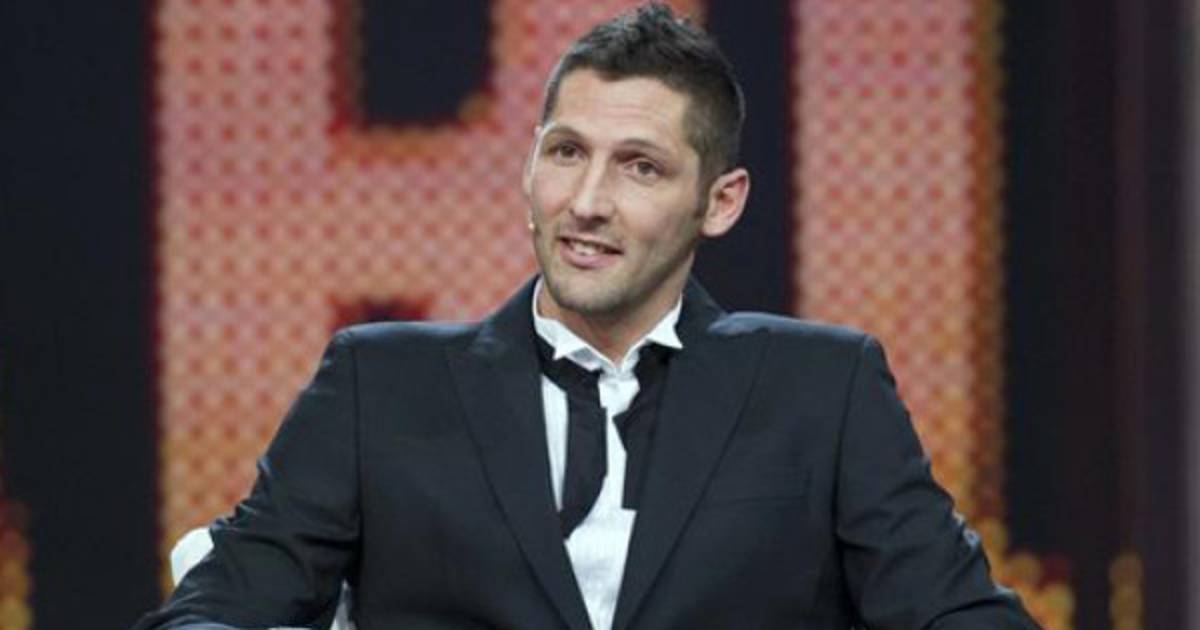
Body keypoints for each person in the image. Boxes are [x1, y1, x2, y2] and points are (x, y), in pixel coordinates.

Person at [136, 4, 1040, 629]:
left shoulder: (822, 391)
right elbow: (215, 609)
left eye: (640, 167)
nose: (588, 203)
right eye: (567, 153)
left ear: (720, 202)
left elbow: (957, 615)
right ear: (530, 166)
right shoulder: (380, 384)